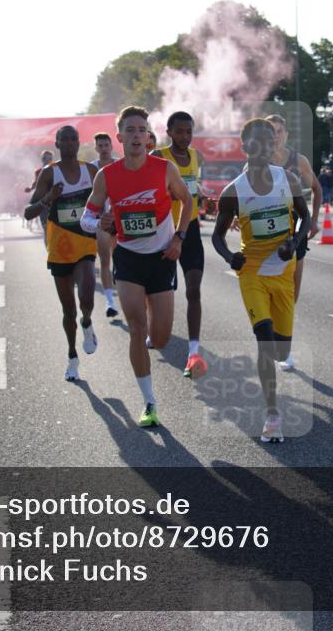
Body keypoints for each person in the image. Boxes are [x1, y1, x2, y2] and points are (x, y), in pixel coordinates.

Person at [81, 106, 192, 428]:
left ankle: (150, 316)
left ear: (148, 137)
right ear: (119, 137)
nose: (136, 135)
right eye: (129, 130)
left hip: (161, 258)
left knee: (160, 338)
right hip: (128, 258)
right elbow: (88, 217)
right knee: (137, 328)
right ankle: (149, 402)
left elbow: (186, 201)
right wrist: (98, 222)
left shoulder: (164, 168)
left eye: (141, 129)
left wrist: (179, 239)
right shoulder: (107, 176)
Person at [212, 118, 311, 443]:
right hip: (251, 273)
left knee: (281, 352)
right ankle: (272, 415)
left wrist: (294, 243)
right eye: (257, 141)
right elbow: (217, 237)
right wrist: (230, 258)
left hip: (283, 274)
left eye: (270, 141)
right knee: (265, 340)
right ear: (245, 145)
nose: (265, 147)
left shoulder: (289, 179)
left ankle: (275, 391)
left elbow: (304, 217)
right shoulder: (233, 192)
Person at [24, 127, 99, 382]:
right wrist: (49, 197)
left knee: (87, 297)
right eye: (63, 140)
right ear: (57, 143)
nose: (68, 143)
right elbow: (28, 212)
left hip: (86, 244)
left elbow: (105, 200)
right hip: (59, 247)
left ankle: (87, 322)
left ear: (79, 143)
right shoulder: (49, 173)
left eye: (73, 139)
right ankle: (72, 356)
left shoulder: (90, 171)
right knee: (68, 311)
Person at [152, 111, 208, 378]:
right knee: (160, 291)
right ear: (169, 132)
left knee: (194, 289)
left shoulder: (196, 157)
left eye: (189, 131)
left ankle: (193, 351)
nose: (185, 136)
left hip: (191, 230)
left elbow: (194, 187)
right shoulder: (159, 157)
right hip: (164, 231)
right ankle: (154, 328)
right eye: (180, 131)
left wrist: (202, 195)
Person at [264, 114, 321, 371]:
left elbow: (317, 189)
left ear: (286, 134)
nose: (275, 136)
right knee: (268, 290)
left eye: (278, 131)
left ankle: (282, 335)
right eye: (270, 132)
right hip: (266, 233)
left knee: (292, 292)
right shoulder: (258, 161)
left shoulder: (298, 160)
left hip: (296, 231)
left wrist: (316, 220)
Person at [92, 132, 119, 317]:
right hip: (101, 220)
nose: (103, 149)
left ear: (111, 147)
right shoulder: (91, 168)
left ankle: (123, 293)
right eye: (99, 146)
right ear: (96, 148)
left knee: (120, 260)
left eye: (106, 145)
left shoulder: (120, 165)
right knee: (104, 260)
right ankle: (110, 302)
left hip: (121, 220)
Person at [25, 150, 55, 240]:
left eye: (49, 158)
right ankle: (49, 250)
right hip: (43, 201)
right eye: (44, 158)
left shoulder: (57, 168)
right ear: (41, 159)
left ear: (52, 159)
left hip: (55, 201)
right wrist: (30, 188)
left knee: (57, 227)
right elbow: (36, 183)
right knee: (46, 227)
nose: (46, 160)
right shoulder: (38, 172)